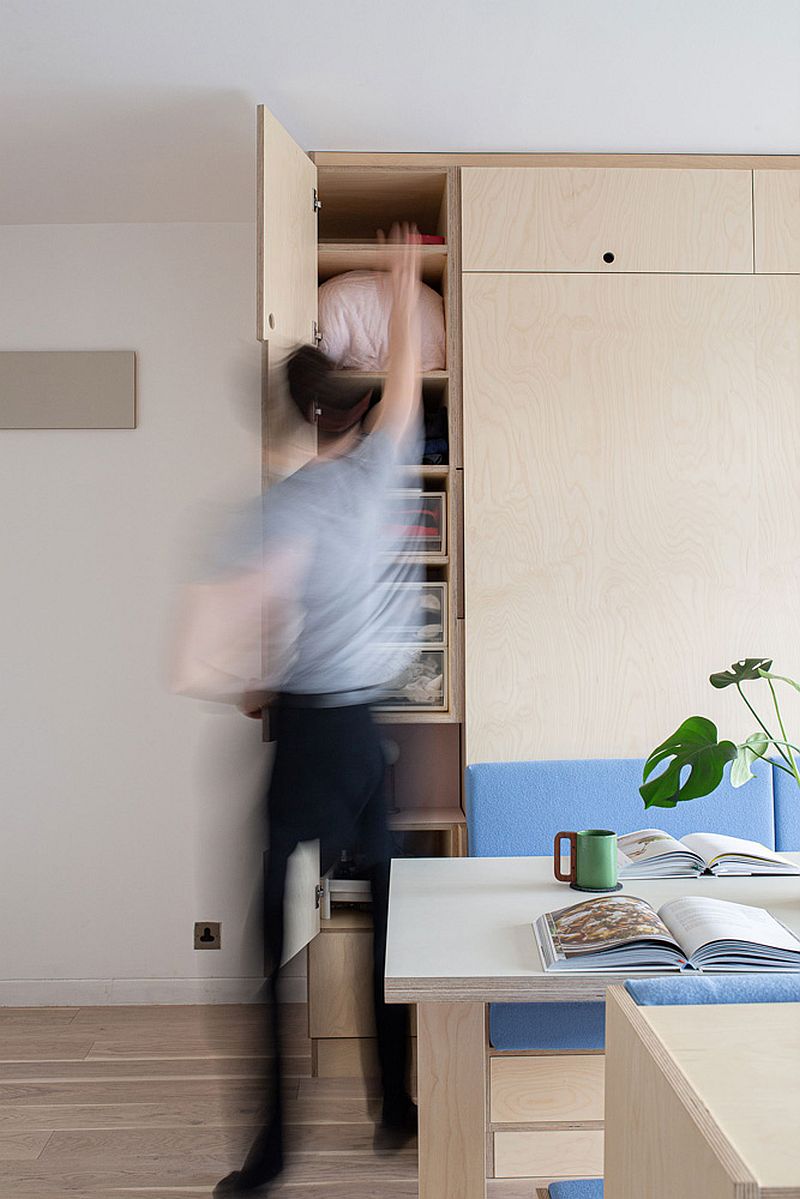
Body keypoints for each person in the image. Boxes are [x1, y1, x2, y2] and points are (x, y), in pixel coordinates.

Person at [172, 227, 423, 1196]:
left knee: (264, 958)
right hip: (372, 738)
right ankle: (394, 1109)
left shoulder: (279, 507)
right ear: (355, 411)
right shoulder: (385, 468)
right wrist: (401, 283)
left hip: (311, 737)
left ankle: (271, 1151)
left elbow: (209, 647)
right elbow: (406, 373)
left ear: (296, 419)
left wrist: (243, 677)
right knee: (390, 929)